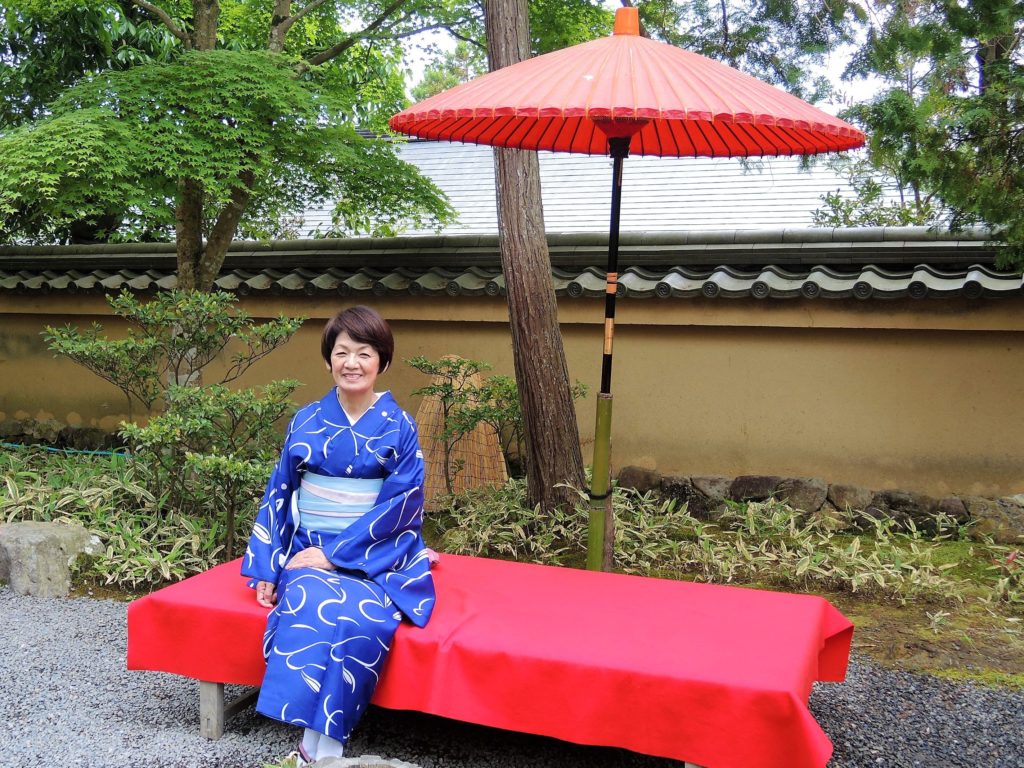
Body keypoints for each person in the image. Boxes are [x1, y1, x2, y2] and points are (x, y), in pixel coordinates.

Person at [242, 305, 435, 765]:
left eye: (364, 353)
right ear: (329, 359)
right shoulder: (306, 419)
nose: (352, 362)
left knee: (362, 616)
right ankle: (325, 749)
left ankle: (314, 748)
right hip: (307, 552)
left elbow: (401, 506)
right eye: (342, 352)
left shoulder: (399, 426)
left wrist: (337, 555)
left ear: (381, 362)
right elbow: (279, 493)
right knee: (312, 598)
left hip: (374, 558)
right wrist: (268, 564)